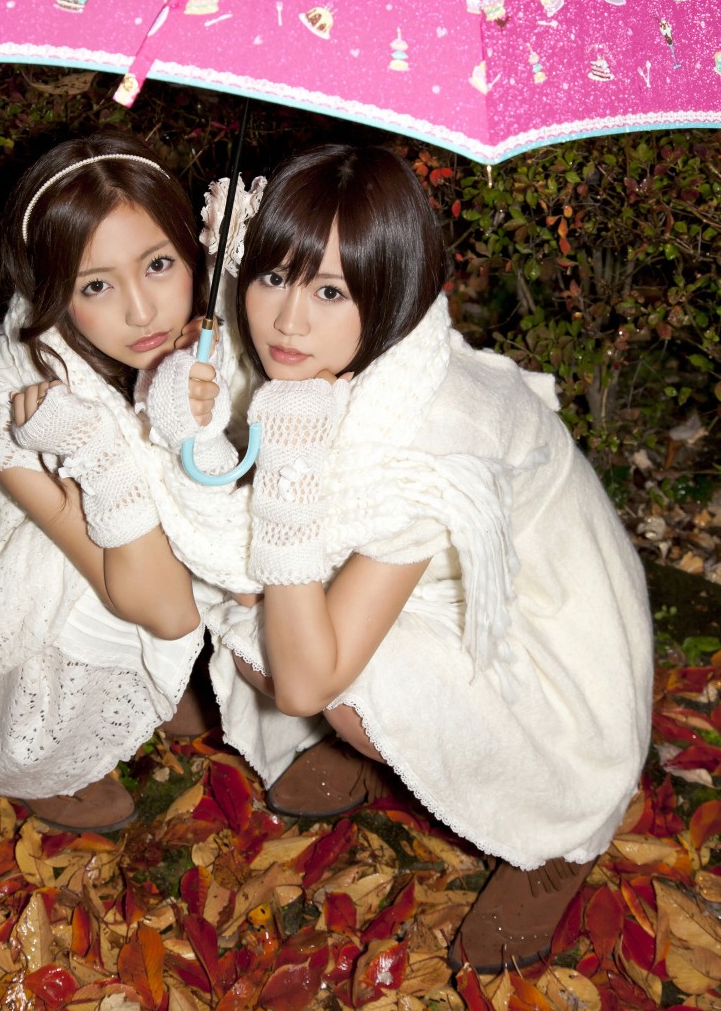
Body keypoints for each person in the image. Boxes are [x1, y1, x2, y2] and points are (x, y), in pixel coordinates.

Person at [204, 143, 653, 972]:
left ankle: (556, 834)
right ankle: (398, 760)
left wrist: (287, 470)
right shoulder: (343, 357)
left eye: (330, 291)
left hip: (545, 647)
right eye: (271, 277)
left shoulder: (429, 431)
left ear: (392, 289)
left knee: (316, 674)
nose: (287, 322)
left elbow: (306, 682)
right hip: (428, 586)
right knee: (255, 619)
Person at [0, 132, 247, 831]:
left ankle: (146, 685)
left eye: (158, 264)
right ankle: (32, 751)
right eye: (95, 285)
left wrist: (191, 425)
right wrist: (100, 453)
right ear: (50, 290)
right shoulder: (6, 390)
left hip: (90, 551)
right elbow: (165, 609)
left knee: (187, 493)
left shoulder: (202, 342)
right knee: (122, 547)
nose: (142, 311)